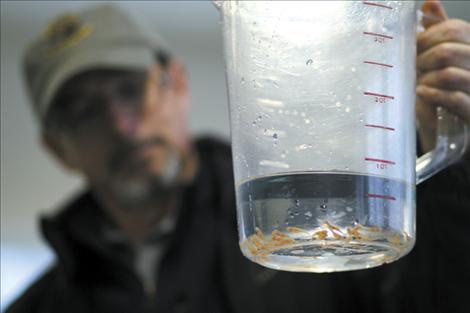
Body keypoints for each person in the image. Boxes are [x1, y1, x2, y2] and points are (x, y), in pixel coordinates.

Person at [7, 1, 470, 313]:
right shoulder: (40, 306)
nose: (122, 125)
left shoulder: (322, 233)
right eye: (84, 111)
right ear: (57, 147)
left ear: (178, 84)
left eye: (132, 89)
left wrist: (446, 157)